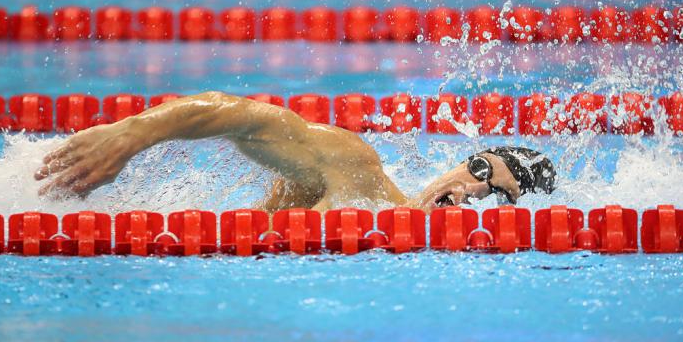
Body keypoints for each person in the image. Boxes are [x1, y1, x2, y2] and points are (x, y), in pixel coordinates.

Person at [35, 92, 556, 212]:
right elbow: (243, 116)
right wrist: (131, 134)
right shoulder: (358, 173)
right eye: (481, 169)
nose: (472, 190)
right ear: (458, 163)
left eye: (497, 195)